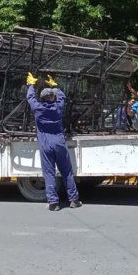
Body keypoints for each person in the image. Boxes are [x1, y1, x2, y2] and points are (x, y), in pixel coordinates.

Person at [26, 72, 81, 211]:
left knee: (49, 173)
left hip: (45, 144)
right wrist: (55, 86)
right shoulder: (58, 108)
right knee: (67, 172)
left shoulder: (38, 109)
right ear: (52, 98)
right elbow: (62, 96)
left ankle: (53, 203)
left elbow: (30, 97)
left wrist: (32, 85)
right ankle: (74, 200)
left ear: (42, 98)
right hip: (59, 143)